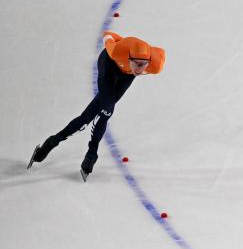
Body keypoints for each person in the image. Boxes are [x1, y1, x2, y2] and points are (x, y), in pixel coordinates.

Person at [28, 31, 166, 181]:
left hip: (126, 75)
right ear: (129, 58)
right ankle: (88, 152)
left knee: (103, 112)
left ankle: (54, 142)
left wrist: (136, 67)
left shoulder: (156, 65)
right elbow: (109, 34)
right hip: (108, 64)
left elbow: (161, 52)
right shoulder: (116, 51)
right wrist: (119, 40)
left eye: (144, 65)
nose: (140, 69)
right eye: (137, 64)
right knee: (105, 108)